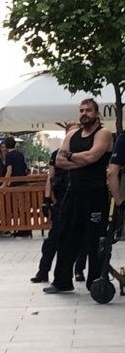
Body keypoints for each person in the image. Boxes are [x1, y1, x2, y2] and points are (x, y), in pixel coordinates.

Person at [45, 99, 113, 294]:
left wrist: (71, 156)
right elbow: (59, 160)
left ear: (97, 113)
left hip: (95, 194)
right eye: (81, 110)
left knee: (95, 240)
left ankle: (96, 281)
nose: (84, 113)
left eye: (88, 110)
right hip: (72, 193)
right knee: (65, 236)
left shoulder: (103, 134)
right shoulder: (72, 134)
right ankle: (62, 281)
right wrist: (82, 159)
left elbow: (93, 157)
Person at [30, 124, 87, 282]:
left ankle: (79, 270)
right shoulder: (57, 154)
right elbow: (51, 177)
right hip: (62, 200)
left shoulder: (84, 152)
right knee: (53, 239)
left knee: (82, 238)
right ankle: (43, 271)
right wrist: (46, 200)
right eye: (71, 132)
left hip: (80, 198)